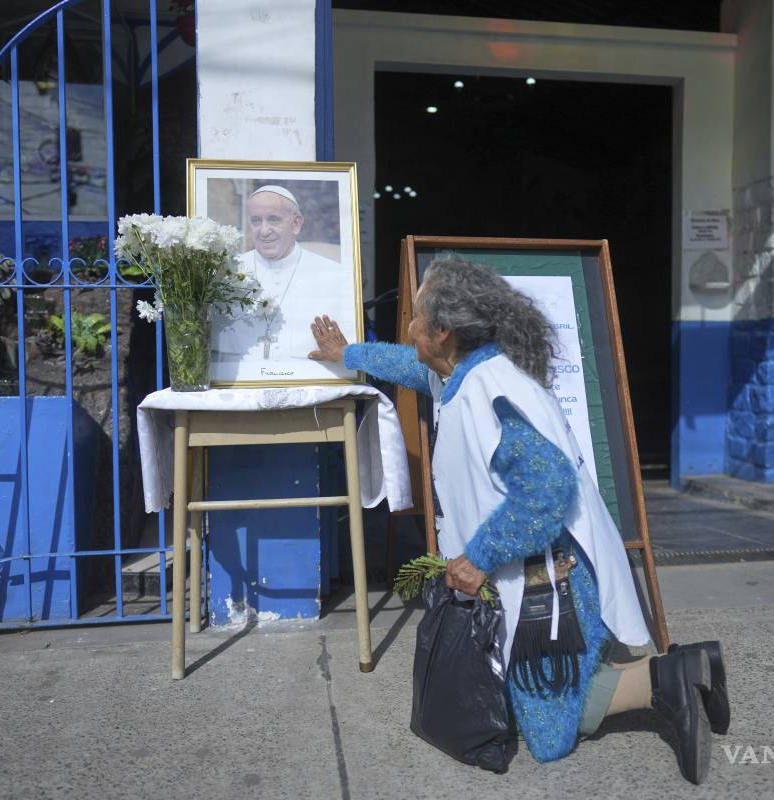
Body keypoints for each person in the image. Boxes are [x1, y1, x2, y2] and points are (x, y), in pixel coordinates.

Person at [309, 255, 730, 784]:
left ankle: (670, 675)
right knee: (523, 702)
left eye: (415, 317)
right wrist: (347, 354)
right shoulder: (461, 370)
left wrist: (477, 558)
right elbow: (411, 366)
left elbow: (547, 491)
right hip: (532, 570)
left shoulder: (494, 392)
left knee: (549, 735)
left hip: (552, 583)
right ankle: (693, 664)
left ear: (442, 333)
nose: (409, 328)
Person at [213, 185, 349, 363]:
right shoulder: (228, 272)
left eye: (274, 220)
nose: (264, 231)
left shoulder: (333, 273)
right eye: (256, 221)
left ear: (296, 224)